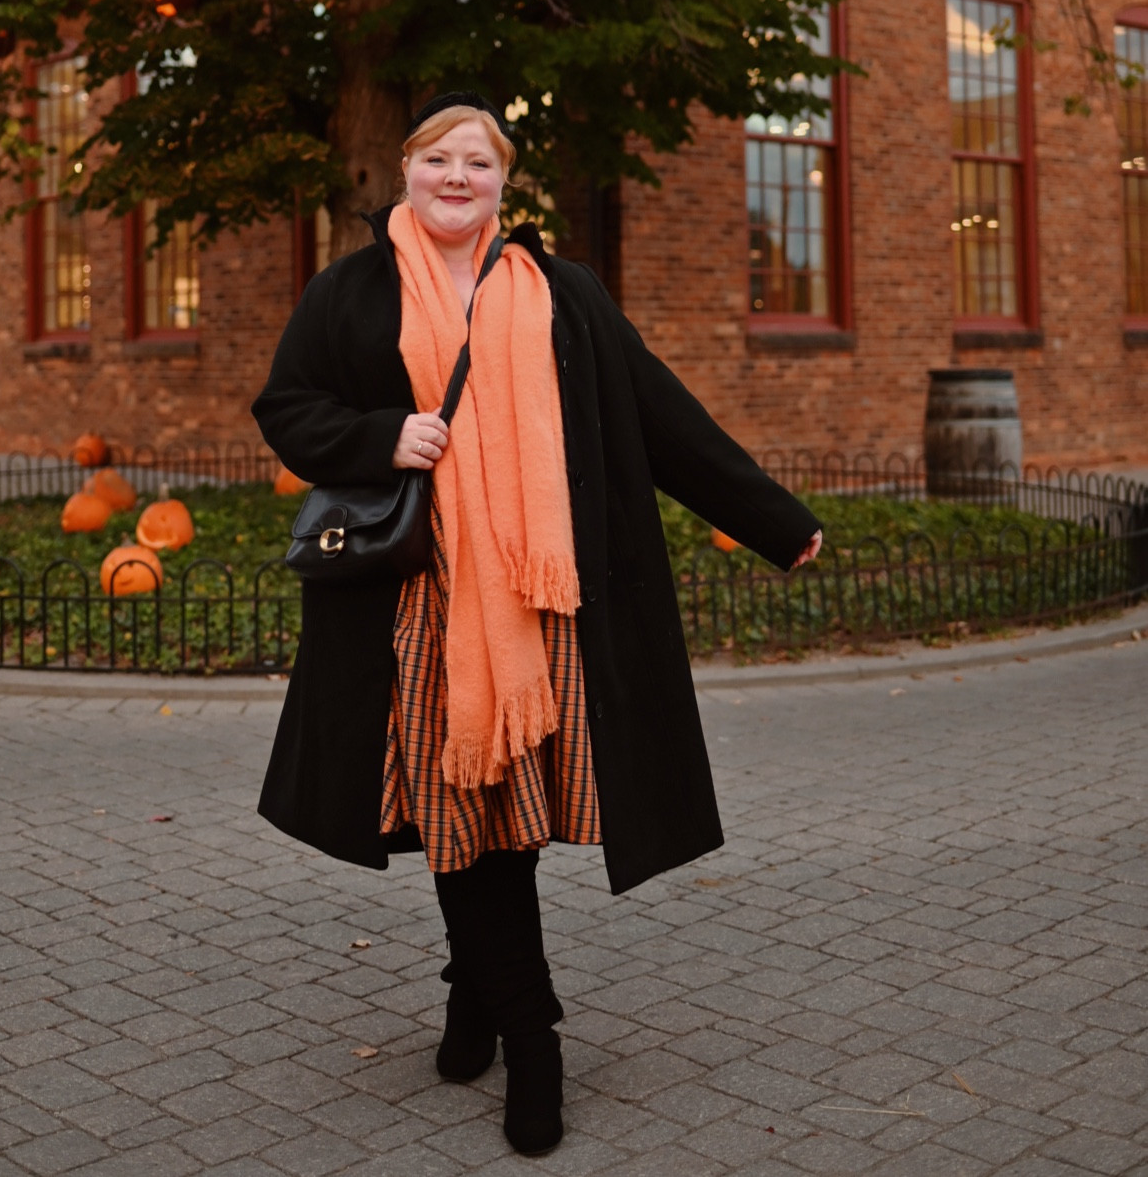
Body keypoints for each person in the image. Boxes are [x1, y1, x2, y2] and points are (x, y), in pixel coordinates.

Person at [252, 91, 822, 1157]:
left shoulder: (562, 294)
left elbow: (657, 411)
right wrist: (384, 434)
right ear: (406, 171)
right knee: (465, 815)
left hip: (534, 600)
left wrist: (774, 521)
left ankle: (475, 998)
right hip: (416, 604)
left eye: (476, 160)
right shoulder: (351, 290)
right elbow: (286, 406)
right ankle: (535, 1036)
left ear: (503, 179)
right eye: (435, 158)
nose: (455, 176)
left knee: (500, 821)